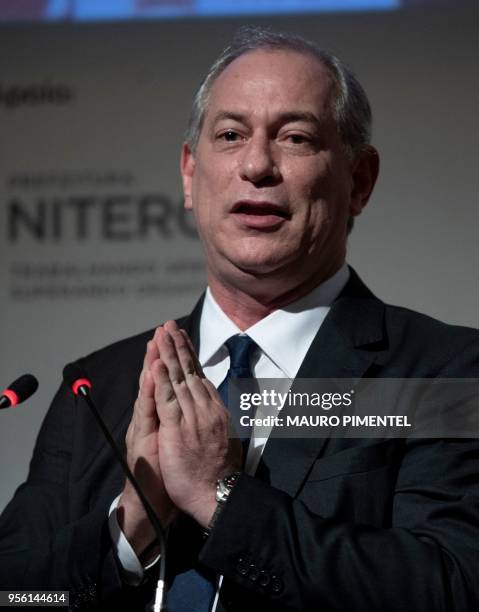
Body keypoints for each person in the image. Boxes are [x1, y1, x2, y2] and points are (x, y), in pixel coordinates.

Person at [1, 26, 479, 612]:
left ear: (359, 181)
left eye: (296, 138)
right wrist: (129, 529)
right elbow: (19, 594)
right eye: (229, 135)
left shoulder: (442, 372)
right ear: (188, 173)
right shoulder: (97, 385)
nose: (256, 164)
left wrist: (220, 496)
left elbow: (451, 588)